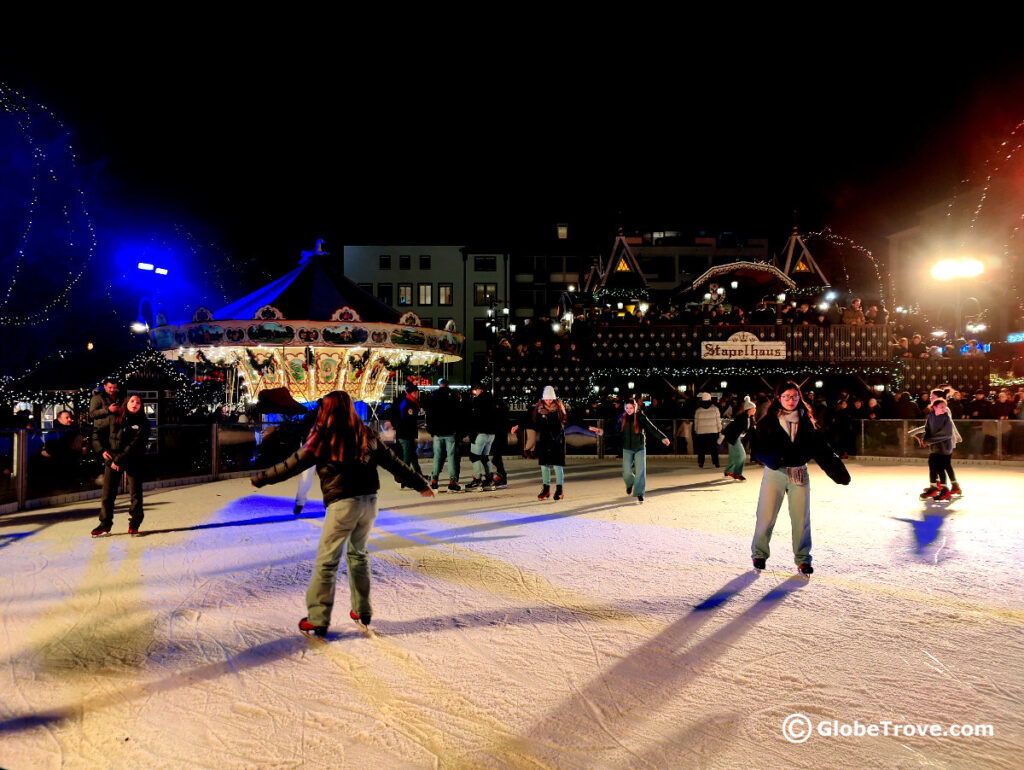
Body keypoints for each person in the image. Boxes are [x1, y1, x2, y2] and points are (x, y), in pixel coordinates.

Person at [251, 391, 434, 637]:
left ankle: (318, 618)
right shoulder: (366, 434)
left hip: (342, 503)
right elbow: (394, 463)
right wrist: (420, 484)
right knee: (358, 555)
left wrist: (261, 479)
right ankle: (362, 610)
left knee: (327, 561)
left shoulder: (323, 436)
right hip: (369, 502)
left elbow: (292, 464)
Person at [750, 382, 850, 575]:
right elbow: (757, 448)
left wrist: (838, 472)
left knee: (801, 518)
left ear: (799, 398)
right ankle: (759, 554)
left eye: (794, 396)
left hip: (799, 472)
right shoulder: (768, 421)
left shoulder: (808, 421)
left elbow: (822, 450)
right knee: (766, 515)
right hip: (775, 473)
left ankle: (803, 558)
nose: (791, 400)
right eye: (786, 396)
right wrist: (770, 459)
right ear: (779, 398)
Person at [91, 394, 151, 537]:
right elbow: (96, 433)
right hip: (112, 459)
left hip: (133, 460)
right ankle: (105, 523)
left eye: (138, 402)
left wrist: (117, 461)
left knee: (136, 494)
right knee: (107, 494)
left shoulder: (144, 423)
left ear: (141, 406)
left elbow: (135, 445)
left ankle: (134, 524)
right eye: (132, 401)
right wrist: (102, 451)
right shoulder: (114, 417)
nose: (135, 403)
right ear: (126, 403)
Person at [616, 397, 670, 503]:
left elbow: (651, 427)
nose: (629, 410)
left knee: (640, 471)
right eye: (627, 408)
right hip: (627, 448)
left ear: (635, 407)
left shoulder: (640, 417)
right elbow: (614, 431)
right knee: (626, 472)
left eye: (631, 408)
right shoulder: (622, 417)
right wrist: (600, 431)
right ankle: (630, 483)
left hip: (639, 448)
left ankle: (639, 493)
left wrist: (663, 437)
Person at [910, 397, 962, 500]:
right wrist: (924, 438)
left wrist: (929, 441)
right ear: (934, 407)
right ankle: (933, 487)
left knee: (940, 467)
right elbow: (928, 429)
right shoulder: (931, 416)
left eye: (945, 407)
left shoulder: (946, 418)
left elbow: (946, 434)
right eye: (941, 407)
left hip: (944, 447)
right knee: (932, 465)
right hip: (934, 446)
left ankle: (944, 489)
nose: (944, 409)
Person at [422, 378, 462, 491]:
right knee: (451, 457)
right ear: (448, 385)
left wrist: (431, 429)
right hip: (450, 431)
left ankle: (434, 480)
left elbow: (428, 412)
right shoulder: (453, 396)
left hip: (437, 432)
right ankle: (452, 480)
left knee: (437, 457)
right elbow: (458, 413)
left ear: (440, 384)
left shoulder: (434, 395)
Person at [532, 385, 567, 500]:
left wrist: (549, 415)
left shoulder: (559, 408)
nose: (548, 401)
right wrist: (518, 426)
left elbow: (565, 420)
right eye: (546, 399)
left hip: (557, 439)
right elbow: (532, 422)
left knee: (557, 465)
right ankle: (546, 489)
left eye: (550, 399)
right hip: (544, 439)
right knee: (544, 465)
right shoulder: (538, 408)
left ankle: (559, 489)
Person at [465, 383, 499, 491]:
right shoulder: (493, 400)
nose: (475, 392)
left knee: (475, 457)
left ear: (480, 390)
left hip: (480, 433)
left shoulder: (477, 401)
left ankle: (477, 480)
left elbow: (473, 418)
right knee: (485, 457)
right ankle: (489, 479)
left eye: (476, 390)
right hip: (491, 433)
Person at [395, 382, 423, 489]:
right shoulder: (408, 403)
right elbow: (407, 419)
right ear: (412, 393)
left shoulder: (411, 402)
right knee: (407, 457)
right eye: (416, 392)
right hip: (405, 433)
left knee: (412, 456)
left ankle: (418, 475)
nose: (417, 394)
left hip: (407, 433)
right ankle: (404, 479)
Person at [723, 395, 756, 481]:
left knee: (734, 457)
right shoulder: (742, 418)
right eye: (753, 408)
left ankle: (729, 471)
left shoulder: (750, 418)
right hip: (733, 437)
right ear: (749, 409)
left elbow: (748, 430)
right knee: (742, 456)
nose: (755, 410)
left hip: (736, 437)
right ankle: (737, 474)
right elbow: (733, 428)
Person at [692, 392, 722, 468]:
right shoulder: (715, 409)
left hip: (701, 432)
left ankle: (700, 462)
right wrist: (719, 429)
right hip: (713, 431)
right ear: (710, 399)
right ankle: (716, 462)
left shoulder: (698, 410)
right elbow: (718, 421)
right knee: (713, 448)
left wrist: (696, 430)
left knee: (701, 448)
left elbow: (696, 422)